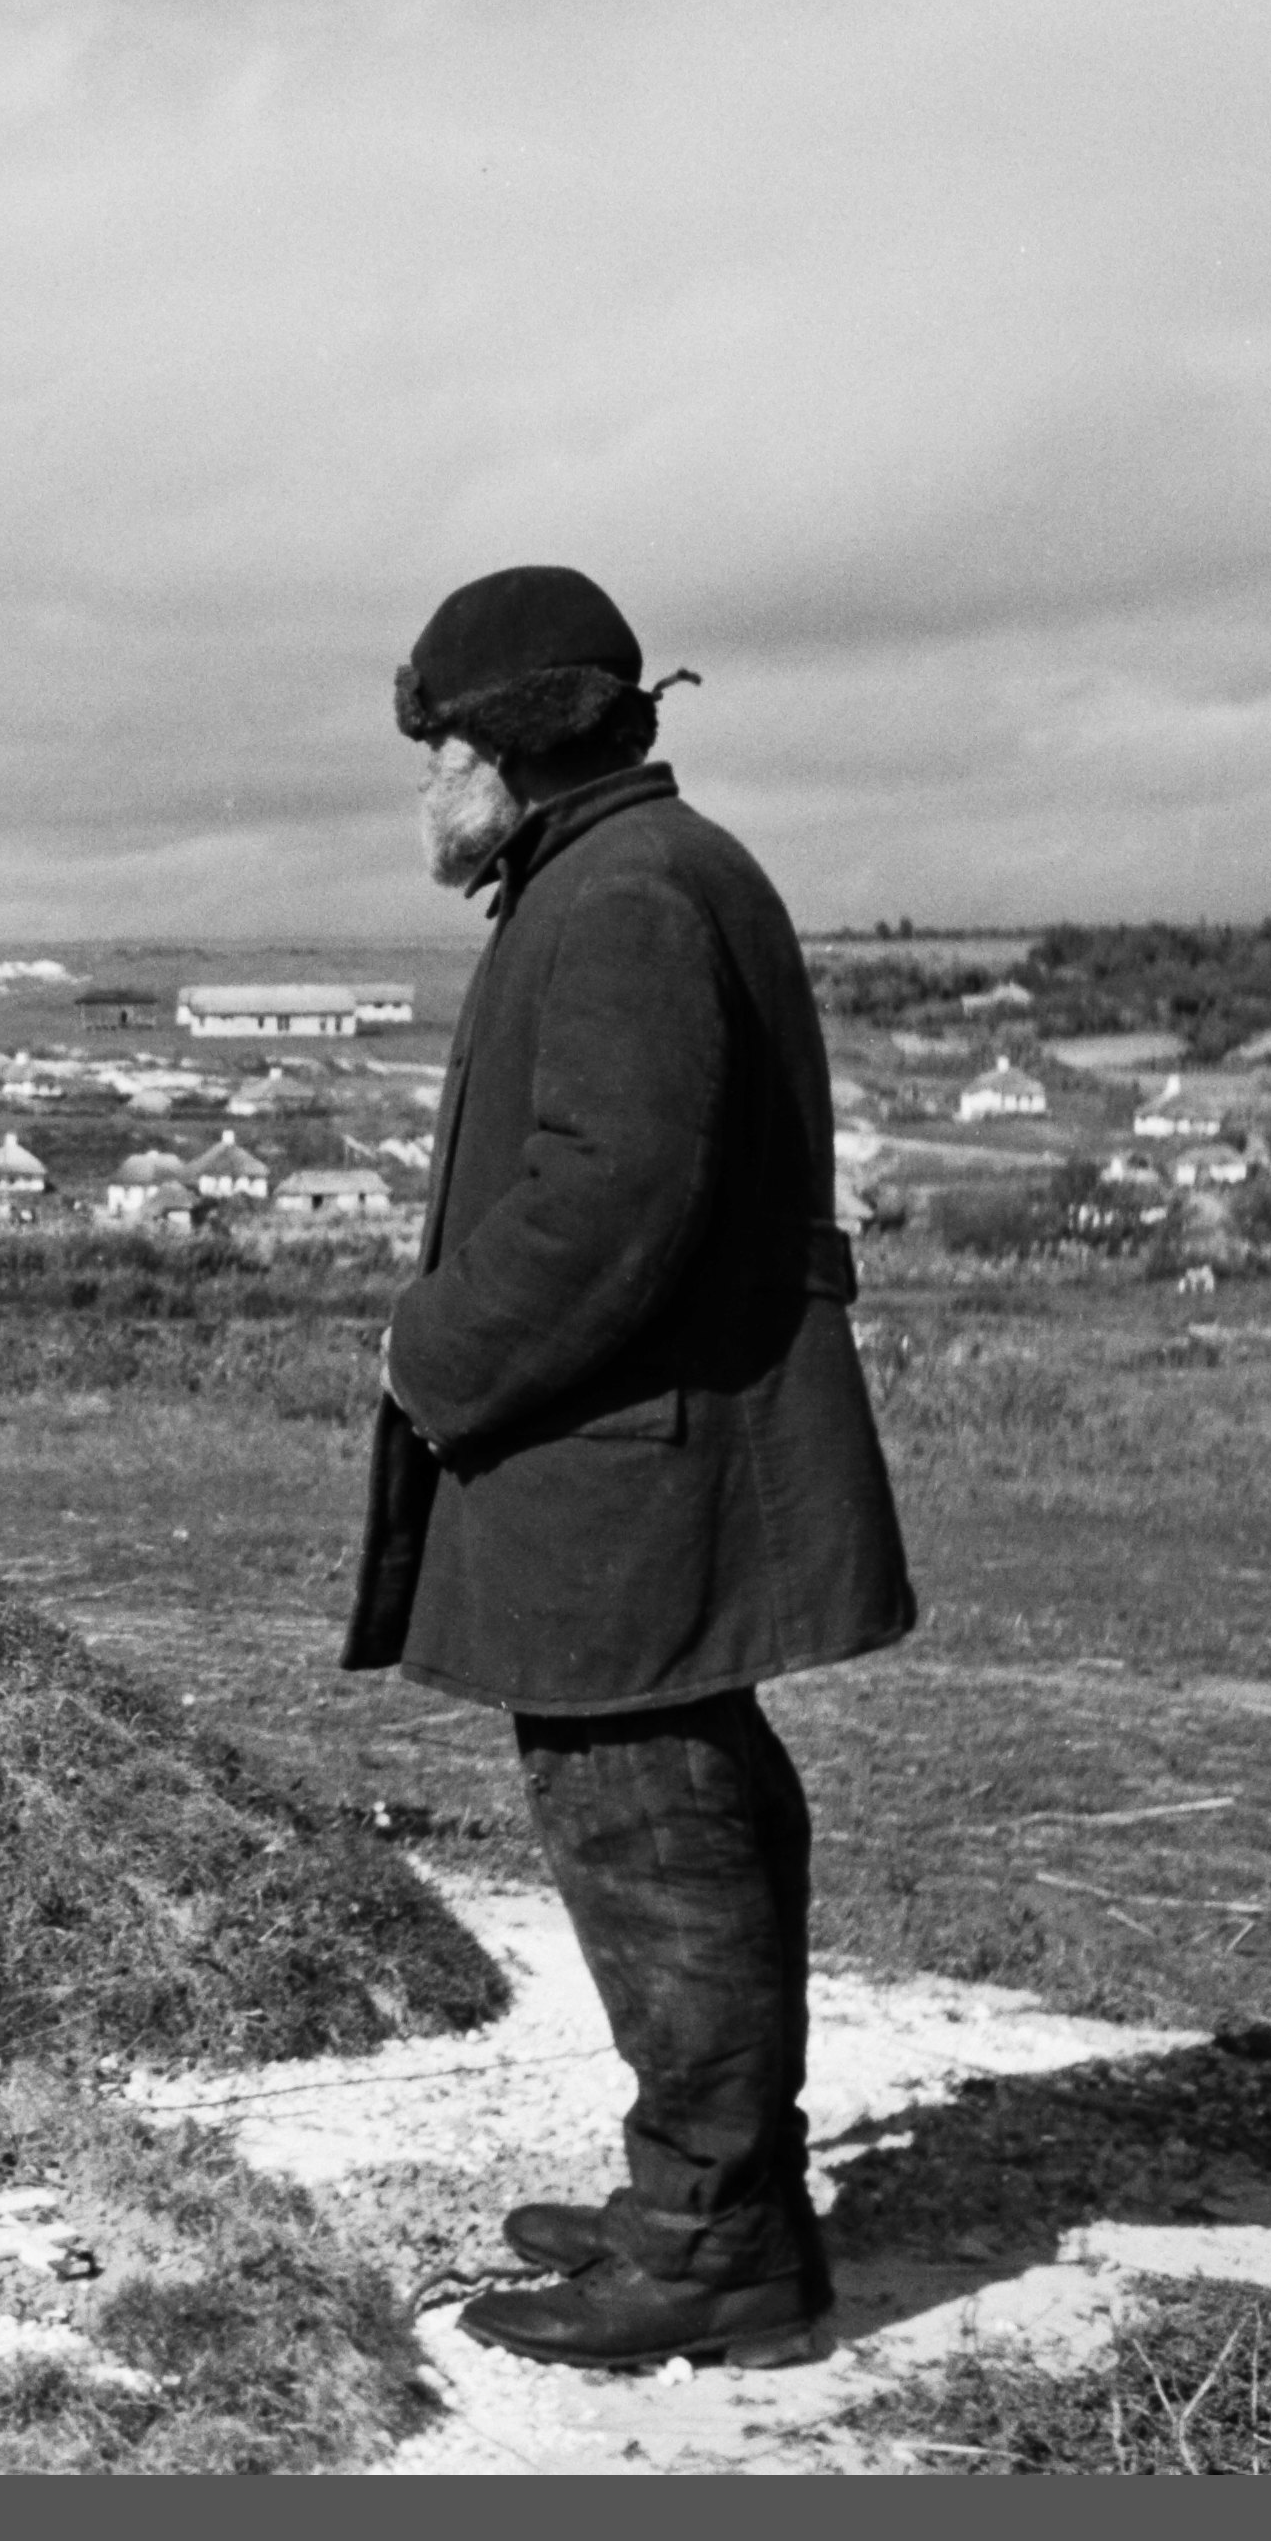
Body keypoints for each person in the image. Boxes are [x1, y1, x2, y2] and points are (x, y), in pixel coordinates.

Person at [351, 564, 914, 2372]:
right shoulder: (640, 871)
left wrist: (425, 1352)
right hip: (657, 1451)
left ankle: (712, 2246)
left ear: (507, 746)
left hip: (636, 1466)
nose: (427, 783)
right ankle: (709, 2196)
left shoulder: (620, 897)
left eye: (437, 744)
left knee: (651, 1828)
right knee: (692, 1809)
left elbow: (608, 1200)